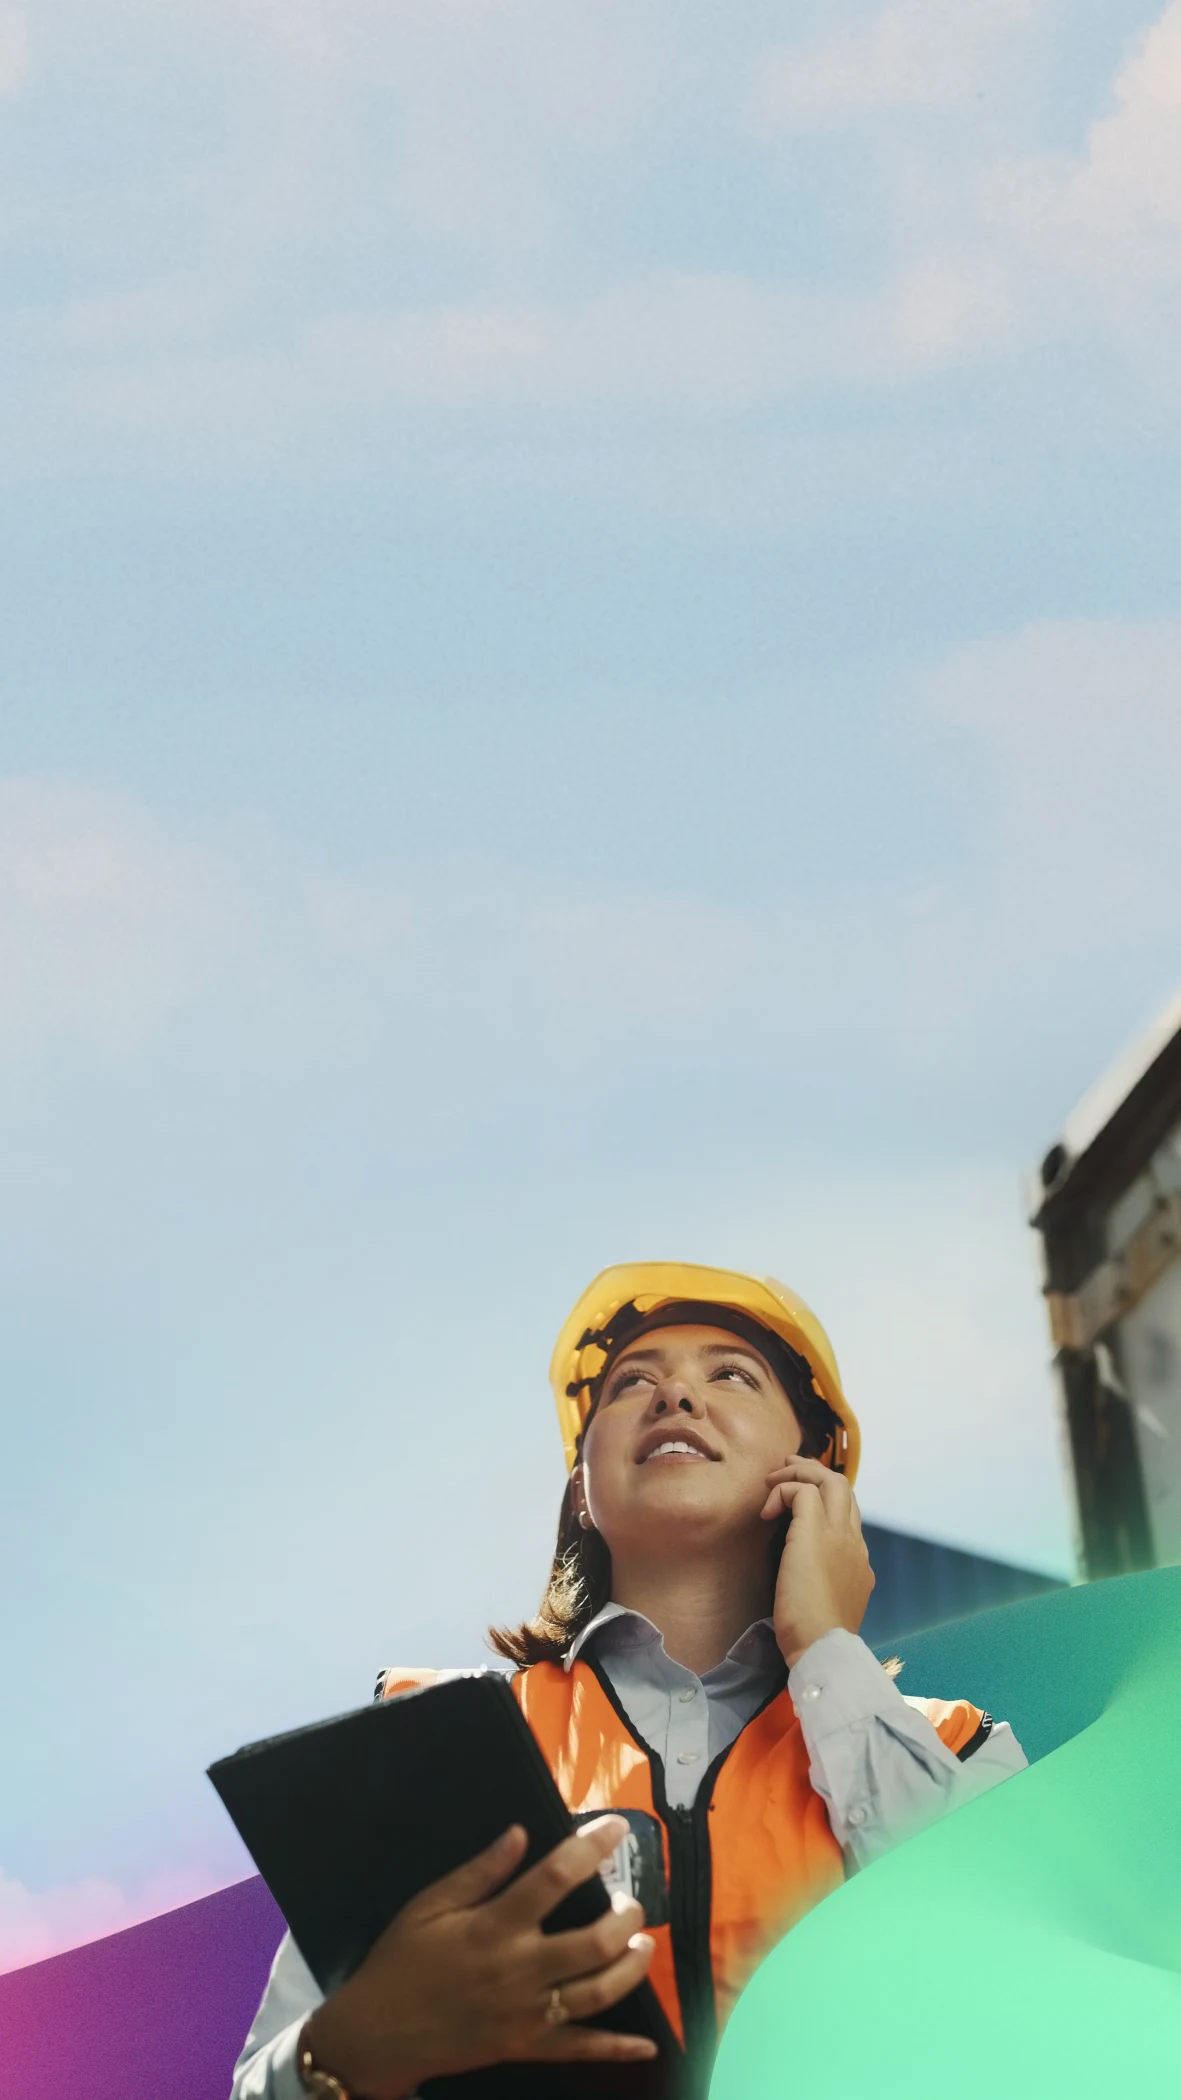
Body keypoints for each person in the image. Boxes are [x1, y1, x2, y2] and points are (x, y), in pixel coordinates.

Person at [231, 1262, 1027, 2100]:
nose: (674, 1397)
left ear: (813, 1464)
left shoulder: (960, 1751)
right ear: (580, 1487)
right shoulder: (425, 1747)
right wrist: (351, 2051)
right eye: (631, 1384)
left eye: (730, 1375)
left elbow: (1021, 2006)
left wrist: (827, 1647)